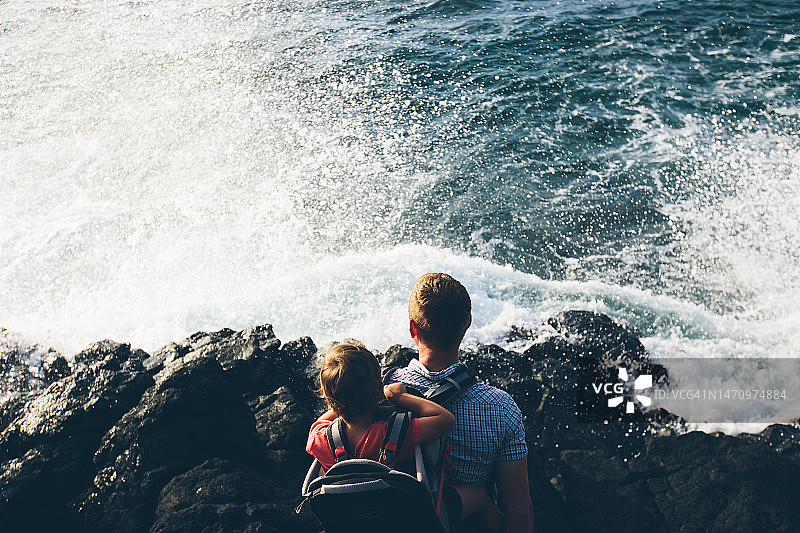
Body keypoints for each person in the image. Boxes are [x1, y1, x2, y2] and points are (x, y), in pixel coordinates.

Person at [385, 273, 534, 533]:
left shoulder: (377, 389)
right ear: (467, 323)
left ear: (413, 329)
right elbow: (517, 508)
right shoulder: (501, 407)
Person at [307, 343, 503, 532]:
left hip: (354, 520)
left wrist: (340, 405)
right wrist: (400, 398)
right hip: (408, 519)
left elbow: (322, 421)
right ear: (378, 389)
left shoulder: (321, 437)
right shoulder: (396, 432)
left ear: (329, 398)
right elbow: (444, 419)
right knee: (480, 497)